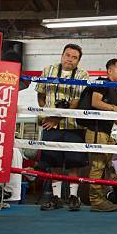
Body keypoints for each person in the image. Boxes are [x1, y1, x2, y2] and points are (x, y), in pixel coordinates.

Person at [35, 44, 89, 211]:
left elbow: (76, 101)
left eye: (74, 57)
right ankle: (56, 197)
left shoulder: (82, 74)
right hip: (50, 125)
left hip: (72, 125)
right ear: (62, 55)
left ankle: (74, 196)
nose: (69, 59)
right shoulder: (48, 70)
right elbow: (41, 94)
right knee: (53, 162)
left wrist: (56, 119)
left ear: (78, 60)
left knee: (74, 163)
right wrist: (46, 115)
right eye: (67, 55)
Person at [81, 58, 117, 212]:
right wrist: (115, 108)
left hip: (106, 132)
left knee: (111, 163)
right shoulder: (101, 83)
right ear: (110, 71)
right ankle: (96, 201)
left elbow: (113, 114)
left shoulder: (114, 90)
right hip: (95, 130)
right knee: (98, 166)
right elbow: (96, 102)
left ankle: (103, 197)